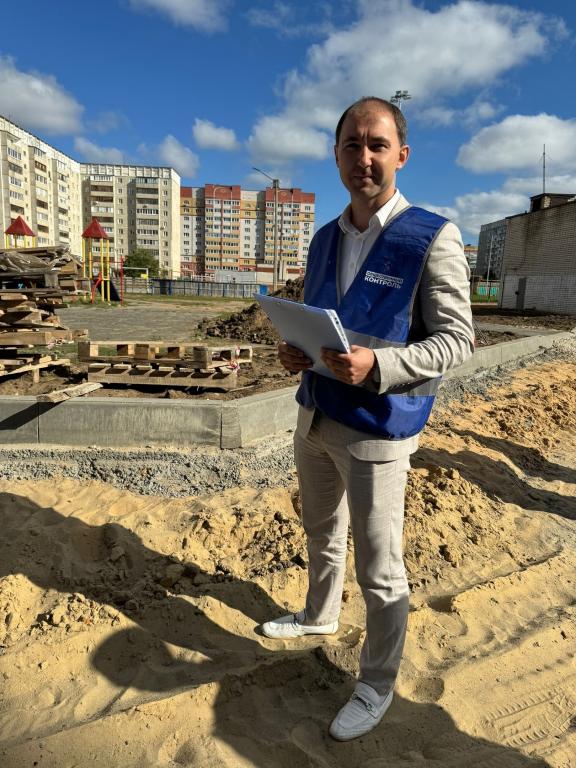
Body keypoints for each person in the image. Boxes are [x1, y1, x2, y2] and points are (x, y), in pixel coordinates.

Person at [260, 96, 474, 741]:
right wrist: (297, 351)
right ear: (336, 155)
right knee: (321, 530)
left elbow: (457, 341)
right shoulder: (324, 237)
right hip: (316, 415)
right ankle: (319, 615)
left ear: (400, 155)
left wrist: (378, 366)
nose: (364, 157)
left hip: (378, 429)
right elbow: (321, 317)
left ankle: (377, 683)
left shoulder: (431, 236)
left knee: (380, 569)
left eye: (377, 145)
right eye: (352, 145)